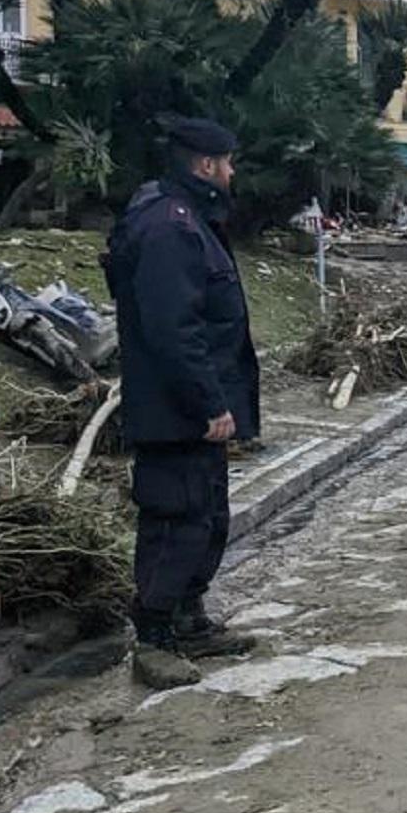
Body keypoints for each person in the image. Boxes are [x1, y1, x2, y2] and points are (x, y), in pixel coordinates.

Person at [104, 116, 263, 689]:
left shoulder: (187, 216)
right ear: (206, 166)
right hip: (176, 413)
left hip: (191, 411)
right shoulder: (169, 226)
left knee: (205, 516)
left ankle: (189, 619)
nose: (233, 171)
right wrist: (209, 403)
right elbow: (175, 330)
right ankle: (153, 639)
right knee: (175, 520)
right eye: (228, 162)